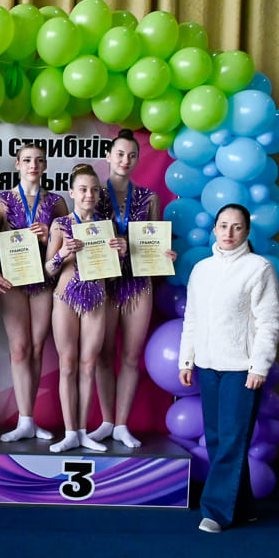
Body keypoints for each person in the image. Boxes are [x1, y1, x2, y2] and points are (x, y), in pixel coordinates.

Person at [179, 204, 279, 533]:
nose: (229, 233)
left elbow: (268, 322)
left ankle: (216, 512)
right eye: (223, 225)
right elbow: (192, 318)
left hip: (242, 369)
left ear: (247, 231)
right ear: (214, 229)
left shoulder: (259, 268)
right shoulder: (202, 269)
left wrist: (259, 366)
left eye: (237, 227)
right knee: (216, 439)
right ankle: (244, 507)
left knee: (232, 440)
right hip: (208, 366)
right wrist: (187, 359)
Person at [93, 129, 174, 448]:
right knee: (103, 354)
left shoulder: (149, 198)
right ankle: (106, 421)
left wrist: (164, 254)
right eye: (120, 154)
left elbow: (154, 242)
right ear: (108, 157)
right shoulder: (94, 194)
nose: (125, 160)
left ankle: (122, 425)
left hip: (138, 283)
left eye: (131, 155)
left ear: (138, 159)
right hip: (104, 282)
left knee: (130, 355)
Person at [42, 165, 126, 453]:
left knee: (89, 365)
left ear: (99, 194)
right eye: (82, 189)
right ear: (72, 192)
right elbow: (48, 270)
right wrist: (63, 253)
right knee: (67, 365)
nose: (88, 195)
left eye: (93, 190)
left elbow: (111, 277)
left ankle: (82, 431)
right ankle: (69, 433)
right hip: (65, 298)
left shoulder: (106, 227)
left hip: (97, 300)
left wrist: (120, 255)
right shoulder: (60, 224)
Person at [0, 142, 67, 442]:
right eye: (27, 160)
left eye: (38, 160)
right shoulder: (2, 200)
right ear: (17, 164)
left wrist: (49, 237)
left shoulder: (57, 202)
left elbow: (65, 245)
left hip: (44, 281)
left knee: (36, 348)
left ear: (45, 165)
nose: (33, 165)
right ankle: (23, 421)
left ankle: (30, 419)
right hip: (11, 280)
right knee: (20, 348)